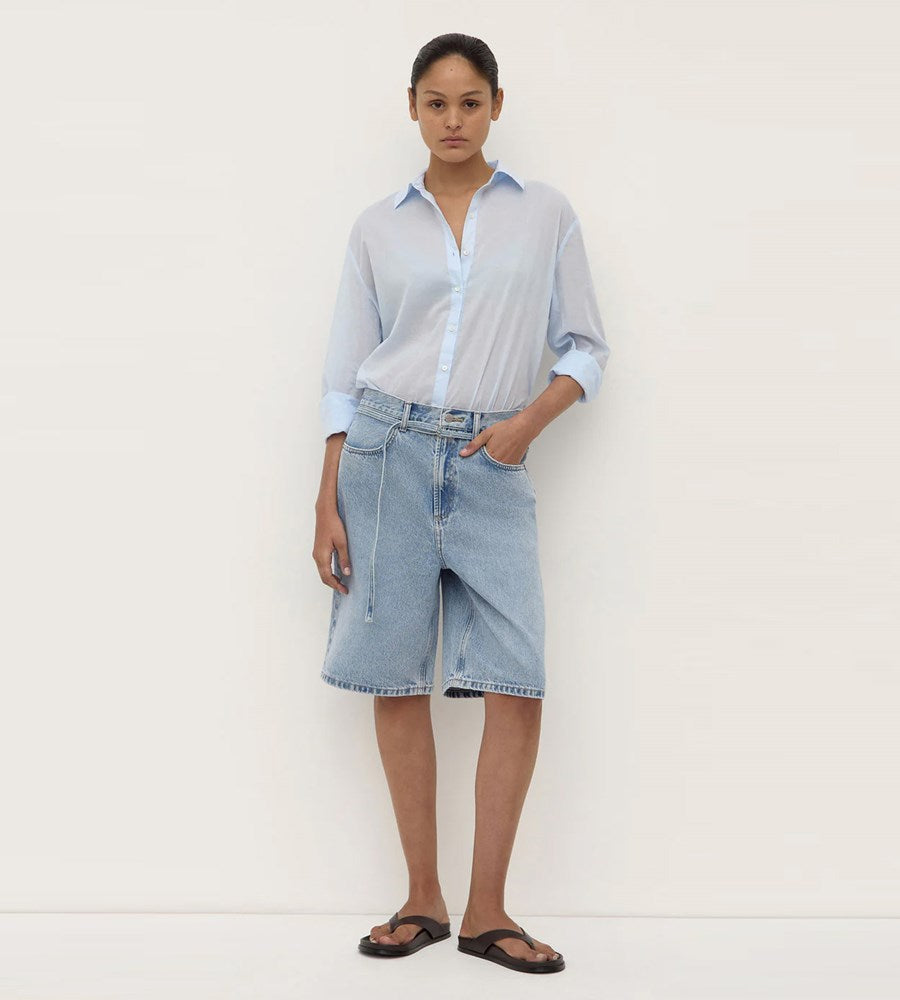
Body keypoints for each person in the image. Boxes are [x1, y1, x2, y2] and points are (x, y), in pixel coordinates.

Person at [312, 32, 610, 975]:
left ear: (496, 104)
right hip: (385, 457)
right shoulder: (376, 227)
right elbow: (343, 374)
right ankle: (422, 899)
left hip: (492, 459)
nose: (453, 119)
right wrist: (328, 498)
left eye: (469, 102)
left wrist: (527, 424)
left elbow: (586, 348)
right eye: (436, 103)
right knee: (394, 677)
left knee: (516, 677)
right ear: (412, 107)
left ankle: (488, 911)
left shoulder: (544, 214)